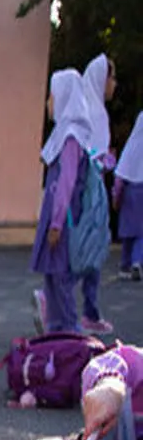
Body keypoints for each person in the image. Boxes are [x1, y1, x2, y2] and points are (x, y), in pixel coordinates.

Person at [31, 69, 93, 336]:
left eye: (52, 96)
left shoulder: (70, 138)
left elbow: (67, 181)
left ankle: (70, 333)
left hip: (64, 219)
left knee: (61, 276)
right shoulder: (63, 134)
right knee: (52, 276)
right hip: (59, 216)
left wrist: (56, 223)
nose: (49, 103)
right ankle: (56, 332)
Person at [75, 54, 118, 335]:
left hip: (86, 191)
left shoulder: (86, 109)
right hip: (92, 194)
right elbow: (91, 157)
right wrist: (107, 162)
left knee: (86, 250)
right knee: (89, 249)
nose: (114, 84)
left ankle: (90, 309)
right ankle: (57, 299)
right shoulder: (96, 114)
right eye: (112, 78)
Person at [114, 112, 143, 281]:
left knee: (128, 233)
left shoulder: (132, 146)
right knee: (141, 234)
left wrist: (116, 198)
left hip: (130, 192)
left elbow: (120, 177)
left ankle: (125, 264)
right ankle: (137, 261)